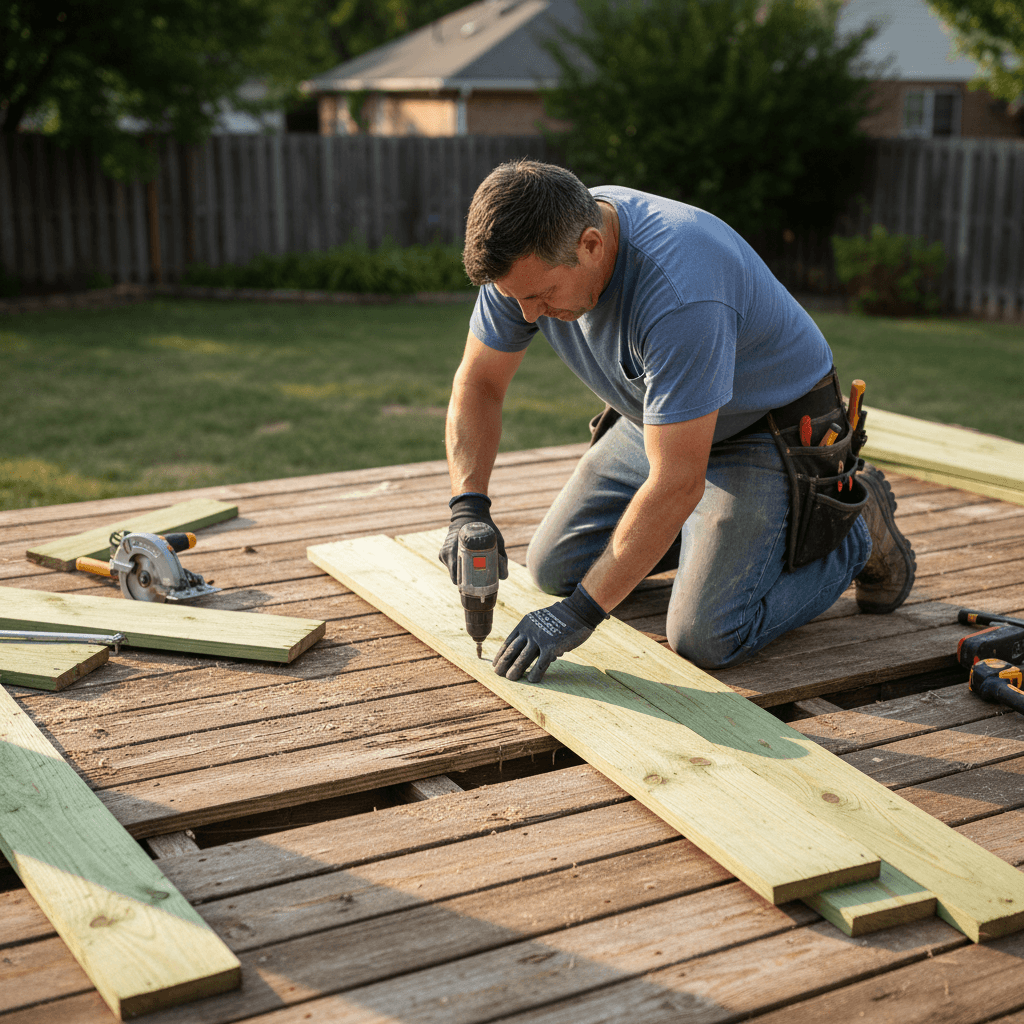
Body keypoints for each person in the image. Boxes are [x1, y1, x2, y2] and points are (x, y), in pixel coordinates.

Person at [439, 159, 916, 684]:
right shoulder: (527, 259)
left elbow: (677, 482)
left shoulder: (681, 289)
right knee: (554, 569)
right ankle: (719, 542)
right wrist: (468, 507)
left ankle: (855, 532)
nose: (527, 315)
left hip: (766, 428)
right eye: (516, 299)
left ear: (592, 246)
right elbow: (479, 384)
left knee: (706, 634)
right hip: (659, 417)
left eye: (541, 298)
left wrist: (579, 617)